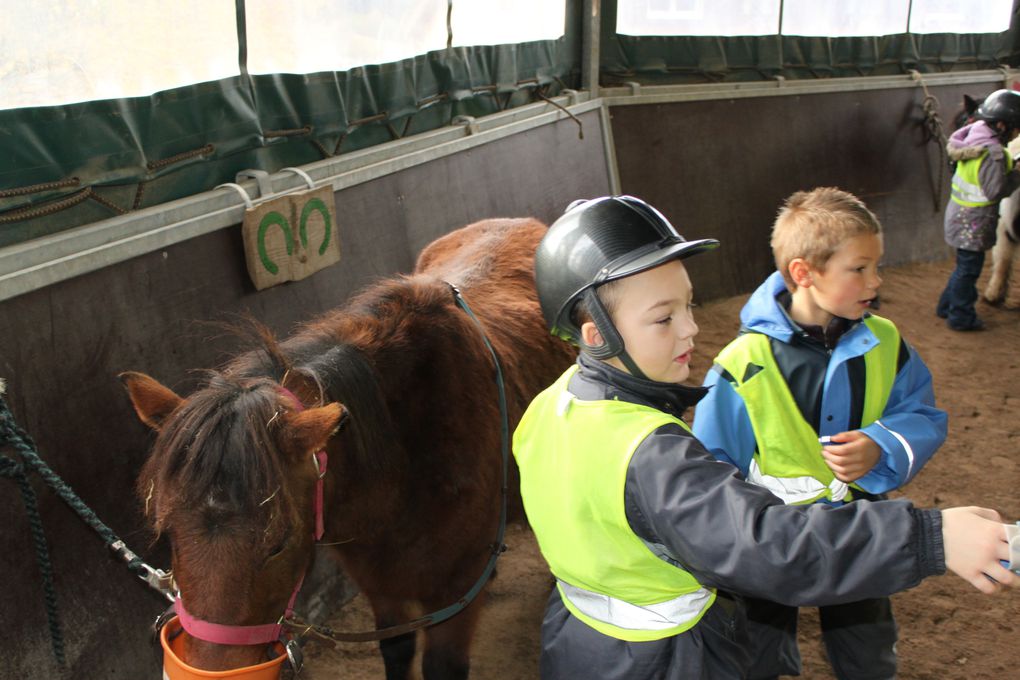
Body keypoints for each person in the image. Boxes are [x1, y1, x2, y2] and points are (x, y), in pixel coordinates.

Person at [513, 194, 1014, 680]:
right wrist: (931, 538)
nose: (691, 329)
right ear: (596, 333)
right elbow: (764, 546)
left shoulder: (550, 405)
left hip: (581, 643)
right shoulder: (653, 452)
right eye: (664, 318)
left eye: (689, 305)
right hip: (668, 659)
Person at [692, 187, 947, 680]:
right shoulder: (742, 365)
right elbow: (710, 461)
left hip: (857, 526)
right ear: (804, 273)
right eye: (859, 268)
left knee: (867, 646)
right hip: (768, 539)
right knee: (756, 646)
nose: (875, 280)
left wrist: (882, 444)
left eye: (876, 266)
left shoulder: (886, 342)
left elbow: (920, 411)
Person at [937, 88, 1020, 331]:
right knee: (969, 271)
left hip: (958, 216)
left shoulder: (972, 139)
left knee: (963, 267)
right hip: (975, 221)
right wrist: (1015, 176)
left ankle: (945, 307)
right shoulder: (992, 153)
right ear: (1003, 126)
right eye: (1016, 128)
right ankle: (961, 317)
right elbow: (994, 190)